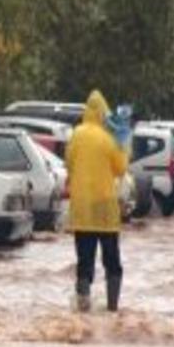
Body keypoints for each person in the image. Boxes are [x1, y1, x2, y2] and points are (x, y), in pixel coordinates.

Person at [65, 90, 129, 312]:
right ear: (103, 113)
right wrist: (123, 143)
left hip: (82, 208)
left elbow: (69, 164)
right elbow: (121, 169)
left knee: (84, 260)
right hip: (105, 208)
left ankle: (83, 307)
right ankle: (113, 308)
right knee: (111, 259)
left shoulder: (76, 135)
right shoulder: (108, 138)